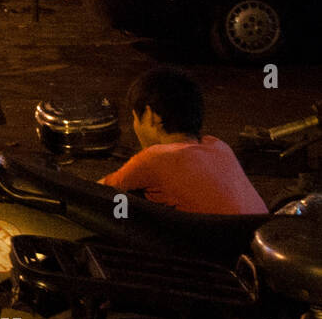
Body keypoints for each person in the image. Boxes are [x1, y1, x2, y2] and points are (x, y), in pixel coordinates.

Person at [99, 67, 268, 215]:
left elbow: (94, 194)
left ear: (151, 116)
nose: (134, 126)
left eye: (135, 118)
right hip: (259, 241)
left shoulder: (154, 159)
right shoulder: (218, 145)